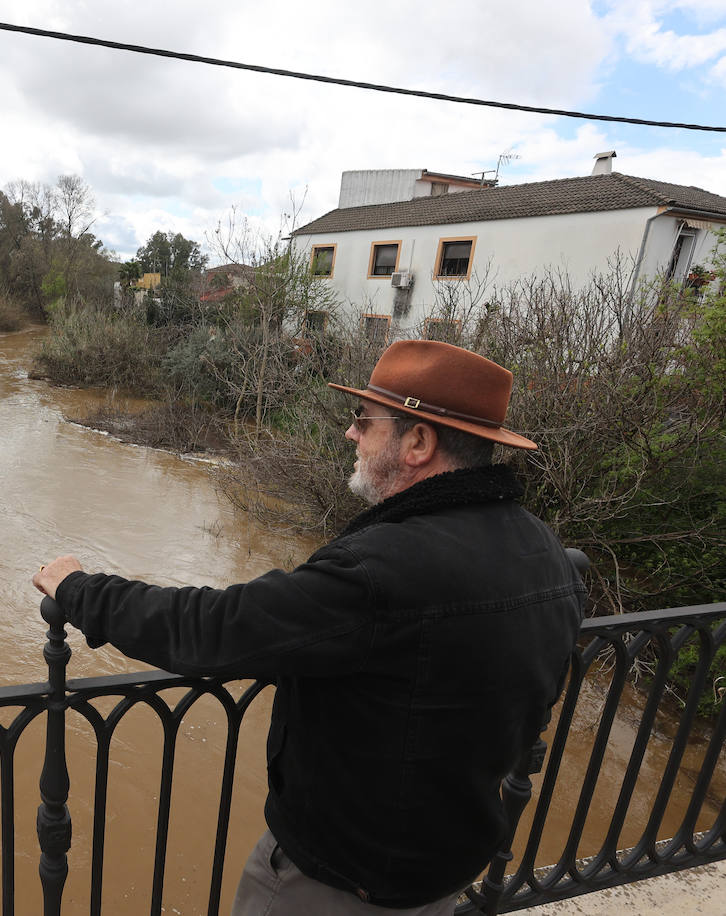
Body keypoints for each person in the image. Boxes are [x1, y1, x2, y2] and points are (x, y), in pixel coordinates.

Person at [32, 339, 586, 915]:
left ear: (419, 442)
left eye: (364, 421)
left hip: (336, 884)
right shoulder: (544, 553)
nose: (351, 434)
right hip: (442, 873)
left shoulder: (382, 571)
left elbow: (212, 628)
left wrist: (78, 589)